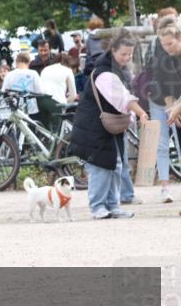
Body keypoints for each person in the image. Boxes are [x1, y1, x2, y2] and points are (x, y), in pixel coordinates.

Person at [70, 34, 148, 219]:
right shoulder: (104, 73)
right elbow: (123, 98)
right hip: (94, 127)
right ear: (112, 51)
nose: (127, 58)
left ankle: (113, 205)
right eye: (123, 54)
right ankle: (97, 207)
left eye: (130, 54)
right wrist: (141, 112)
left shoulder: (117, 70)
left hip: (106, 126)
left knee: (115, 165)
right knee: (100, 166)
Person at [147, 17, 181, 203]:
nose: (167, 47)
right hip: (161, 99)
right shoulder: (159, 49)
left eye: (170, 43)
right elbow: (160, 79)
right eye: (164, 43)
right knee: (162, 144)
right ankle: (165, 187)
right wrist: (171, 108)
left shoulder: (175, 51)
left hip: (176, 100)